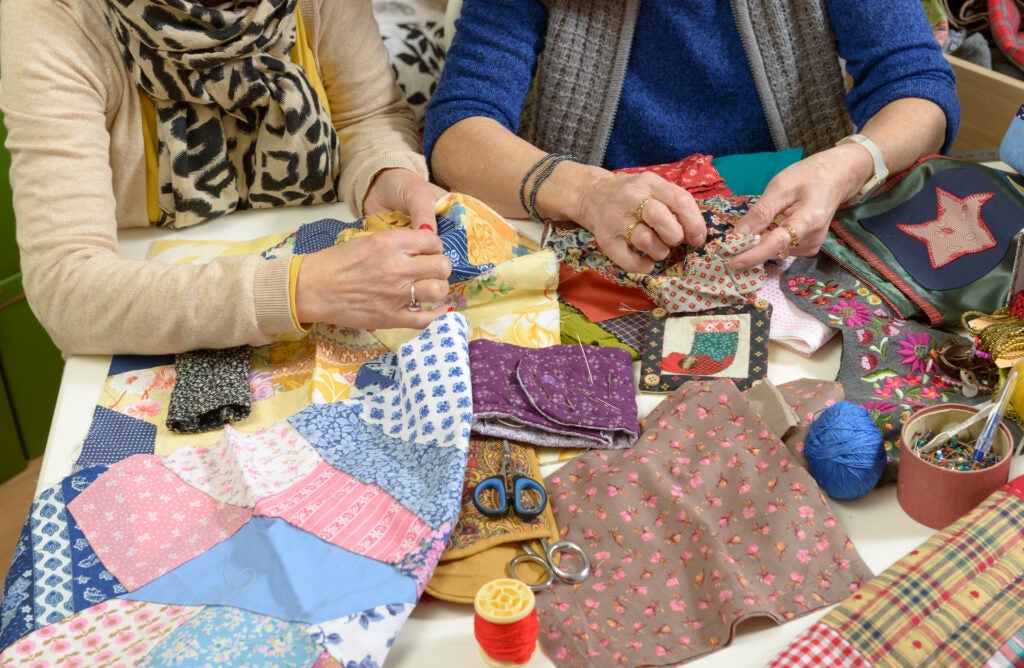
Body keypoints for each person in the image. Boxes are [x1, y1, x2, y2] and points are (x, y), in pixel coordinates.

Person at [0, 0, 454, 356]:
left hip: (327, 284)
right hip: (150, 308)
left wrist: (386, 173)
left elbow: (366, 116)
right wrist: (299, 288)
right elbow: (70, 292)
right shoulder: (54, 17)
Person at [424, 0, 960, 275]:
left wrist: (845, 165)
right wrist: (586, 194)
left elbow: (918, 88)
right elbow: (458, 130)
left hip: (790, 253)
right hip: (596, 257)